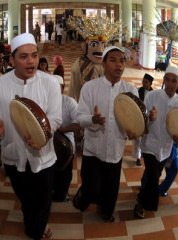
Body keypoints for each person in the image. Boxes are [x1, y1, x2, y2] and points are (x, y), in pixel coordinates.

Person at [0, 33, 62, 239]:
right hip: (13, 156)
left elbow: (55, 119)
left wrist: (42, 136)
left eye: (34, 56)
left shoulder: (50, 83)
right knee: (26, 198)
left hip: (43, 157)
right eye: (24, 57)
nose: (31, 62)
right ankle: (34, 222)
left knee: (44, 199)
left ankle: (37, 228)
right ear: (11, 60)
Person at [73, 46, 138, 222]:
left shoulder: (130, 91)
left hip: (115, 149)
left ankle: (106, 212)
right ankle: (85, 196)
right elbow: (79, 117)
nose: (119, 65)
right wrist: (93, 120)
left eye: (122, 60)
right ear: (103, 63)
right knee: (91, 185)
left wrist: (144, 122)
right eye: (113, 60)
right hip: (93, 147)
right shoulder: (89, 88)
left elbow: (137, 120)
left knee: (111, 187)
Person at [134, 65, 178, 219]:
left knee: (152, 174)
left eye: (174, 81)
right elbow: (142, 124)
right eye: (167, 80)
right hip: (150, 145)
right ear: (163, 80)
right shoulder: (152, 96)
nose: (170, 84)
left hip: (166, 149)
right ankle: (143, 204)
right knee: (153, 176)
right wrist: (151, 119)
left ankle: (141, 195)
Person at [52, 75, 81, 202]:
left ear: (62, 88)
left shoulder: (70, 103)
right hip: (49, 144)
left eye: (56, 87)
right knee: (51, 170)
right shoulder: (45, 102)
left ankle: (62, 194)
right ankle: (52, 192)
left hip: (67, 145)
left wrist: (62, 130)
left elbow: (78, 124)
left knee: (65, 172)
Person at [158, 83, 178, 197]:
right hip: (165, 144)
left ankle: (155, 187)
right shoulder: (169, 105)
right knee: (168, 168)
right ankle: (154, 188)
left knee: (170, 168)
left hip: (172, 145)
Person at [133, 73, 154, 166]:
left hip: (148, 120)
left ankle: (143, 154)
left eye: (146, 82)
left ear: (150, 84)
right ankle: (138, 157)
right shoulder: (139, 90)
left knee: (144, 139)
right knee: (138, 139)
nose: (143, 83)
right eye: (143, 81)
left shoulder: (153, 94)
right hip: (138, 118)